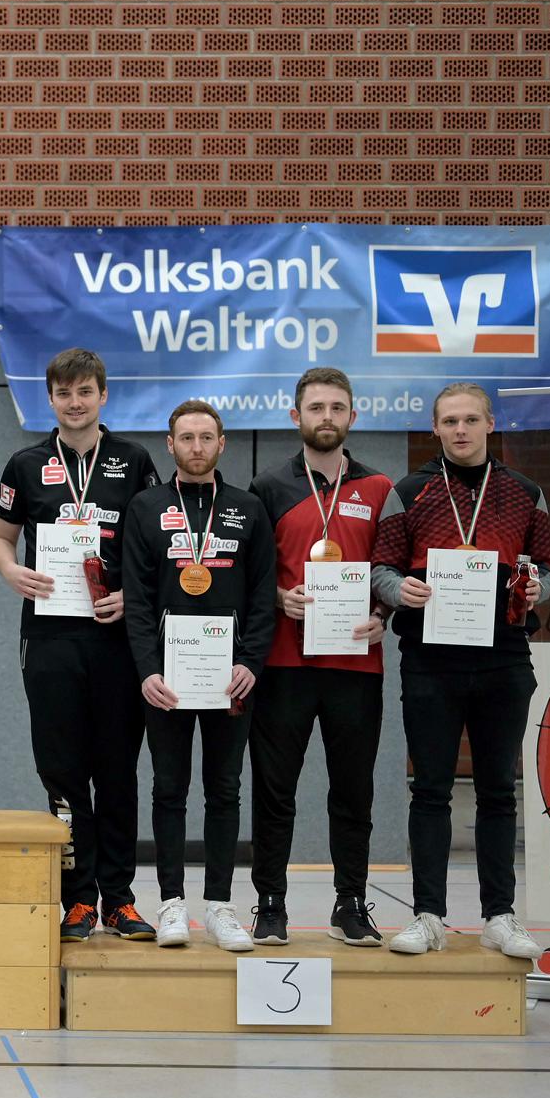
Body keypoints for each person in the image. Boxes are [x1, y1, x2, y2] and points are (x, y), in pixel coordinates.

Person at [372, 382, 550, 960]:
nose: (460, 429)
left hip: (504, 658)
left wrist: (538, 587)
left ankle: (499, 916)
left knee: (498, 789)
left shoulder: (525, 492)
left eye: (471, 420)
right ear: (435, 427)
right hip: (430, 661)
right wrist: (399, 590)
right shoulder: (409, 491)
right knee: (430, 789)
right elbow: (381, 567)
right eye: (450, 421)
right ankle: (428, 916)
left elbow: (548, 566)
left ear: (489, 424)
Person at [0, 349, 161, 941]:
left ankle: (120, 899)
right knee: (62, 772)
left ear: (103, 395)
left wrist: (132, 597)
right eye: (64, 393)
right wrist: (11, 571)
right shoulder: (25, 463)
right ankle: (78, 898)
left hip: (116, 639)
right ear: (51, 399)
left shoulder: (135, 461)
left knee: (116, 769)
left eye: (85, 391)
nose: (75, 402)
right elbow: (1, 540)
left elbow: (154, 553)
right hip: (50, 636)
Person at [122, 400, 275, 951]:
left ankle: (219, 906)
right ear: (170, 444)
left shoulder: (247, 508)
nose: (196, 447)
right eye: (185, 437)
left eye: (206, 437)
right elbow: (138, 600)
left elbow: (263, 595)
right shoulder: (146, 507)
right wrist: (147, 670)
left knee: (225, 790)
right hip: (167, 680)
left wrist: (250, 662)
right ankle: (171, 903)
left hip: (228, 678)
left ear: (221, 444)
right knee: (168, 789)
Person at [246, 368, 391, 947]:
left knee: (353, 791)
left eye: (336, 407)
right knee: (274, 790)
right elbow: (250, 574)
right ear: (296, 416)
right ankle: (270, 903)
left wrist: (386, 616)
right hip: (285, 665)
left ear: (352, 416)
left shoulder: (380, 488)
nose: (325, 417)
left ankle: (350, 903)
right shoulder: (267, 487)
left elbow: (392, 568)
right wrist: (278, 598)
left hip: (356, 664)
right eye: (315, 407)